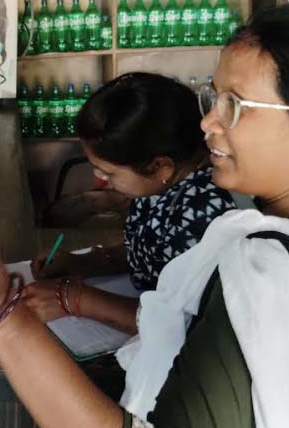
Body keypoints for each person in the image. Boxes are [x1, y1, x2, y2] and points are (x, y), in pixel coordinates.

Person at [0, 6, 289, 428]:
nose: (208, 123)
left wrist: (3, 318)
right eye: (213, 98)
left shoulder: (274, 278)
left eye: (235, 106)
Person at [23, 73, 235, 334]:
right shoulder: (160, 184)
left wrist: (73, 299)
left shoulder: (202, 213)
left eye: (109, 173)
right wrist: (85, 263)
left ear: (159, 166)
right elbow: (150, 252)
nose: (99, 178)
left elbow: (177, 322)